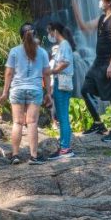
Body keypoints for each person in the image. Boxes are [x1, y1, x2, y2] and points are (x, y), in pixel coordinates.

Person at [73, 0, 111, 143]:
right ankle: (98, 124)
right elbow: (84, 27)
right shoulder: (102, 18)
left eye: (102, 0)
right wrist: (76, 9)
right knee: (85, 90)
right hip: (98, 61)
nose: (100, 2)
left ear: (109, 3)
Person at [0, 23, 51, 165]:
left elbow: (9, 73)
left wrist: (4, 93)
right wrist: (49, 93)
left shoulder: (14, 51)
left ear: (21, 36)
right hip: (35, 89)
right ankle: (33, 156)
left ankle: (15, 155)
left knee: (17, 122)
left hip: (17, 89)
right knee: (32, 122)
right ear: (35, 35)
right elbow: (46, 74)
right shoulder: (43, 52)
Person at [47, 22, 76, 159]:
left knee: (63, 116)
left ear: (55, 31)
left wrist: (51, 71)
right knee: (62, 116)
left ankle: (65, 148)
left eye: (50, 31)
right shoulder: (64, 45)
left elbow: (65, 63)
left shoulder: (63, 45)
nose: (49, 35)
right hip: (63, 82)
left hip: (62, 83)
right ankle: (65, 146)